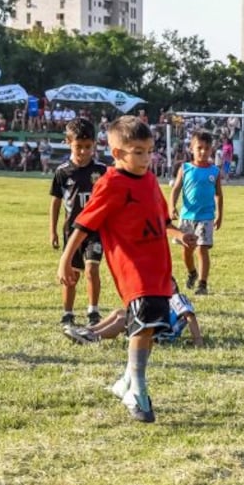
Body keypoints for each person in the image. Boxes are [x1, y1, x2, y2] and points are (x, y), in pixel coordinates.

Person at [57, 115, 198, 423]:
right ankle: (138, 388)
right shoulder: (111, 183)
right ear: (118, 153)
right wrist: (65, 259)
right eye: (138, 151)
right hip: (133, 269)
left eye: (149, 151)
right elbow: (83, 224)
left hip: (158, 267)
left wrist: (180, 236)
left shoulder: (148, 181)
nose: (146, 158)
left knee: (147, 328)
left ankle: (126, 382)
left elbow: (163, 222)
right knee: (143, 322)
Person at [50, 118, 109, 327]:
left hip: (94, 231)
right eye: (78, 147)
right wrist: (53, 231)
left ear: (94, 144)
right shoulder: (62, 172)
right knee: (71, 274)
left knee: (92, 269)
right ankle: (67, 313)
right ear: (68, 142)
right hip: (72, 231)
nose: (83, 152)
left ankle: (93, 312)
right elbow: (56, 202)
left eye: (87, 147)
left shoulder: (102, 170)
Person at [64, 279, 204, 347]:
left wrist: (197, 339)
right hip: (155, 326)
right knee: (120, 312)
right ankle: (88, 330)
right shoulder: (165, 300)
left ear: (172, 286)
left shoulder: (177, 297)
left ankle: (93, 337)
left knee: (122, 321)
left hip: (160, 332)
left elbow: (189, 316)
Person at [169, 130, 224, 295]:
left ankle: (202, 283)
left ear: (211, 150)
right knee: (187, 251)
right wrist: (171, 207)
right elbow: (176, 189)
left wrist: (220, 215)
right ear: (191, 148)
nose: (203, 152)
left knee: (202, 249)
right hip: (187, 217)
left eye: (207, 149)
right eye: (199, 148)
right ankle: (192, 272)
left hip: (206, 217)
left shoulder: (214, 171)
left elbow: (218, 194)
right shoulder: (185, 169)